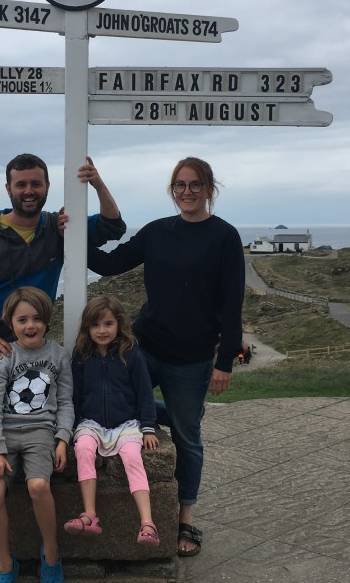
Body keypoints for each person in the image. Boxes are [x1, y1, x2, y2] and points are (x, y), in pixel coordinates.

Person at [0, 153, 125, 562]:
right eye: (21, 184)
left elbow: (113, 226)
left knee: (34, 419)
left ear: (47, 188)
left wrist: (96, 183)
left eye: (36, 184)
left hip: (32, 346)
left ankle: (22, 512)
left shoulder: (56, 228)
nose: (29, 191)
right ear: (8, 189)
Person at [86, 157, 244, 558]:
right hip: (145, 347)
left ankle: (185, 518)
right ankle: (161, 414)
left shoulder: (224, 237)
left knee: (189, 438)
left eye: (195, 185)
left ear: (210, 189)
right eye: (179, 185)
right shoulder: (158, 231)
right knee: (110, 406)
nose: (186, 192)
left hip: (191, 359)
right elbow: (109, 263)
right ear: (172, 190)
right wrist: (70, 238)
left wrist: (224, 361)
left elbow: (231, 305)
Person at [0, 287, 74, 583]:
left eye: (36, 318)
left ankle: (51, 556)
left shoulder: (59, 355)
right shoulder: (5, 356)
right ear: (11, 323)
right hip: (5, 434)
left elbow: (65, 402)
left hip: (40, 433)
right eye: (22, 319)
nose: (29, 325)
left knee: (38, 486)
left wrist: (62, 439)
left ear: (47, 321)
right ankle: (6, 567)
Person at [65, 295, 160, 545]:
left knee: (132, 458)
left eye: (108, 324)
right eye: (95, 325)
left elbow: (145, 393)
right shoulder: (81, 355)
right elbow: (75, 394)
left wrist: (148, 428)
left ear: (119, 324)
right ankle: (90, 515)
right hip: (91, 423)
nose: (101, 330)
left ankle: (147, 523)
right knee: (84, 449)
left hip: (126, 424)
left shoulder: (131, 354)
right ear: (87, 328)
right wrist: (70, 428)